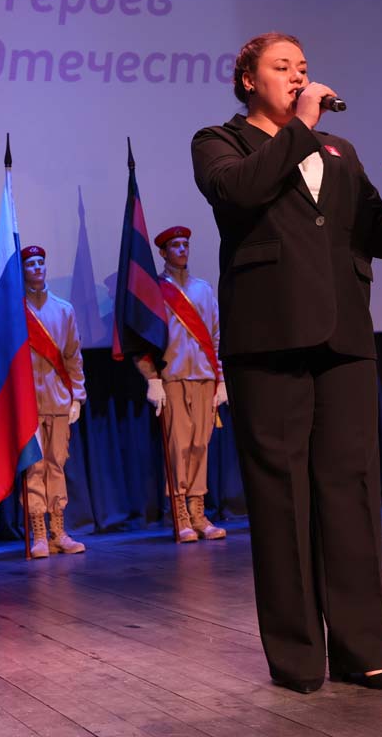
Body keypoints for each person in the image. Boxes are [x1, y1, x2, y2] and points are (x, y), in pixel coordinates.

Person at [190, 33, 382, 693]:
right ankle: (297, 658)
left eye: (304, 68)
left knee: (350, 490)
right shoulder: (220, 142)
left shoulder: (340, 152)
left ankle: (363, 651)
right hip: (269, 339)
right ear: (249, 80)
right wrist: (303, 128)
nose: (298, 77)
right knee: (281, 499)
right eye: (282, 67)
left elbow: (379, 235)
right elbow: (241, 192)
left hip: (344, 338)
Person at [0, 245, 88, 557]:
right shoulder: (11, 312)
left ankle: (58, 531)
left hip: (58, 400)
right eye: (31, 264)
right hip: (27, 404)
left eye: (41, 262)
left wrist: (77, 397)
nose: (38, 267)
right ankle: (38, 532)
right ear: (22, 271)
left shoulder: (64, 310)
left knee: (57, 464)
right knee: (34, 466)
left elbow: (73, 357)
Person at [136, 226, 227, 543]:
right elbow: (141, 340)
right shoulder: (155, 291)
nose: (182, 249)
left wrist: (221, 379)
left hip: (203, 376)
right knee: (178, 446)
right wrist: (152, 378)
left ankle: (198, 511)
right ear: (163, 252)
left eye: (185, 244)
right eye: (175, 245)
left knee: (201, 445)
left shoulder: (203, 289)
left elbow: (215, 336)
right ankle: (180, 513)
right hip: (173, 377)